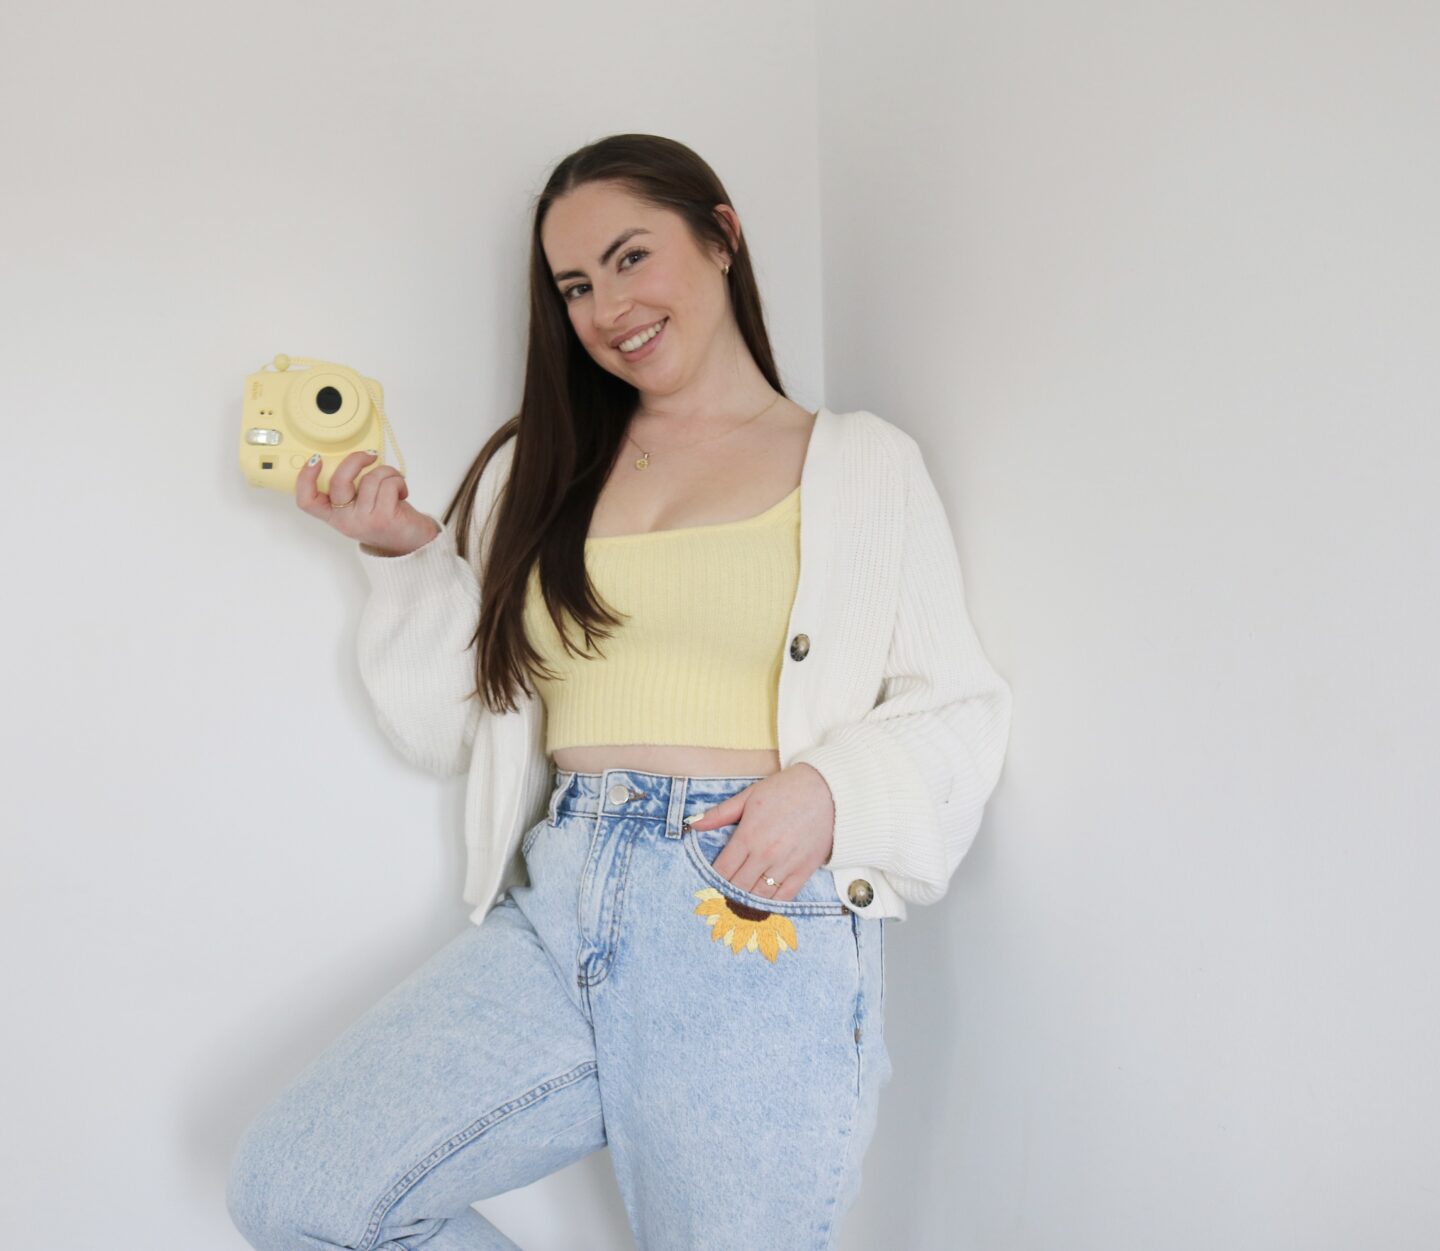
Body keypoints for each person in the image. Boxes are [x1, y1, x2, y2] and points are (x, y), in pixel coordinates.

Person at [226, 132, 1013, 1251]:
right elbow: (454, 731)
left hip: (748, 907)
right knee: (304, 1188)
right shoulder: (531, 470)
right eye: (577, 286)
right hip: (561, 901)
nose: (608, 308)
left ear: (723, 235)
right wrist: (405, 555)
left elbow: (959, 706)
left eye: (632, 258)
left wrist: (830, 791)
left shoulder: (859, 463)